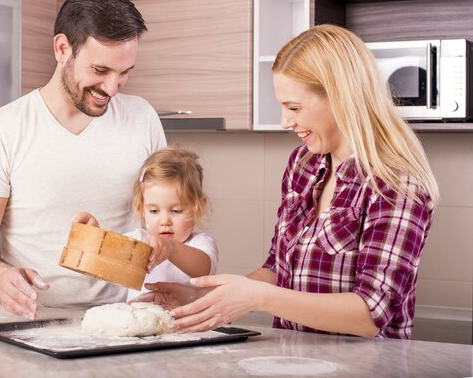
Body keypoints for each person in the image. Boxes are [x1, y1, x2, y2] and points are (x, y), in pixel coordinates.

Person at [136, 24, 439, 340]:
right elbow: (278, 268)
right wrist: (205, 300)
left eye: (294, 107)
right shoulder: (304, 164)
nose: (285, 121)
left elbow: (370, 315)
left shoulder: (395, 179)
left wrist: (258, 298)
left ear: (340, 96)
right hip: (292, 359)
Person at [0, 0, 166, 320]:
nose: (112, 88)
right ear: (62, 48)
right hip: (32, 326)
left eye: (124, 72)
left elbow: (164, 228)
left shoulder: (141, 118)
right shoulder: (2, 129)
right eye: (100, 71)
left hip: (123, 322)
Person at [123, 147, 218, 301]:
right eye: (154, 211)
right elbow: (105, 255)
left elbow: (203, 269)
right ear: (142, 208)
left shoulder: (200, 243)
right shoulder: (138, 240)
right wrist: (92, 234)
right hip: (139, 324)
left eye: (176, 210)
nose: (165, 221)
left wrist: (171, 248)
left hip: (186, 325)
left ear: (198, 208)